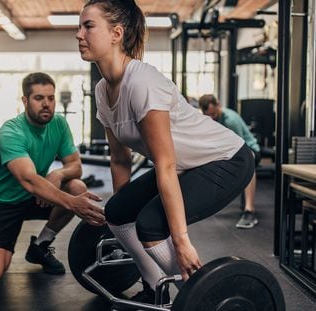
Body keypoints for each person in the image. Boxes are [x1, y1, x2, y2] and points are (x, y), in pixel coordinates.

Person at [76, 0, 254, 304]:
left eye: (88, 26)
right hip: (188, 165)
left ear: (116, 33)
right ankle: (155, 289)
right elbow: (120, 159)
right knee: (117, 214)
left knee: (152, 225)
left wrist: (181, 241)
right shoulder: (103, 92)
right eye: (79, 27)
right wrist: (123, 210)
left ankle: (204, 298)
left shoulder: (142, 81)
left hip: (226, 160)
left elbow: (165, 163)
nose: (79, 35)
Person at [0, 72, 105, 285]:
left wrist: (57, 173)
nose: (46, 104)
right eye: (39, 98)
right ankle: (6, 241)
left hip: (36, 197)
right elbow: (28, 179)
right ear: (25, 101)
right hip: (2, 202)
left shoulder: (59, 125)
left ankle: (40, 245)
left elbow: (75, 166)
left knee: (76, 186)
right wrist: (73, 204)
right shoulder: (10, 133)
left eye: (50, 98)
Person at [198, 94, 260, 229]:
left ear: (218, 105)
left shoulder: (230, 120)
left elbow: (241, 147)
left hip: (249, 149)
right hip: (228, 150)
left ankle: (249, 211)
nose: (211, 118)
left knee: (249, 161)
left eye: (213, 114)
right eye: (208, 115)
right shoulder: (209, 119)